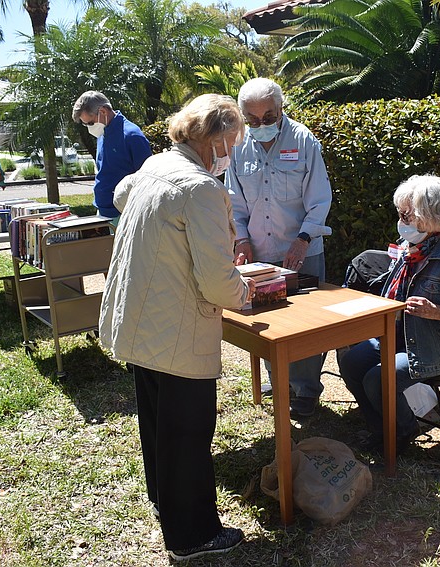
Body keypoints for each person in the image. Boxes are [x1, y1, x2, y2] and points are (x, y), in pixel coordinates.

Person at [99, 94, 255, 562]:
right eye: (233, 142)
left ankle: (165, 502)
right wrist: (246, 293)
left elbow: (120, 194)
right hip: (177, 330)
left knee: (158, 423)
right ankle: (192, 535)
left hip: (140, 323)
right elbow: (216, 281)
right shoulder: (202, 189)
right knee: (187, 433)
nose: (233, 152)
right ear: (216, 140)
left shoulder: (154, 168)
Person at [339, 175, 440, 452]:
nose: (401, 220)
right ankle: (383, 429)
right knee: (351, 361)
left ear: (430, 215)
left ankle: (403, 433)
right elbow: (391, 292)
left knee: (378, 377)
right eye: (400, 213)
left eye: (406, 215)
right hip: (396, 335)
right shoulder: (411, 246)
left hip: (436, 347)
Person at [225, 77, 333, 419]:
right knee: (267, 324)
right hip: (260, 254)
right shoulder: (238, 145)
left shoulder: (304, 141)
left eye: (268, 118)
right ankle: (278, 380)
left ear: (281, 109)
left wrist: (303, 240)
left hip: (302, 252)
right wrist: (241, 239)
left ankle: (306, 390)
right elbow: (234, 202)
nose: (260, 125)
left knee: (306, 328)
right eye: (252, 120)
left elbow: (319, 200)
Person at [71, 90, 152, 223]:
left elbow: (146, 180)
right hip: (103, 211)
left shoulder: (132, 136)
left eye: (90, 123)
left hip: (124, 214)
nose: (88, 128)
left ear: (103, 111)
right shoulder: (102, 133)